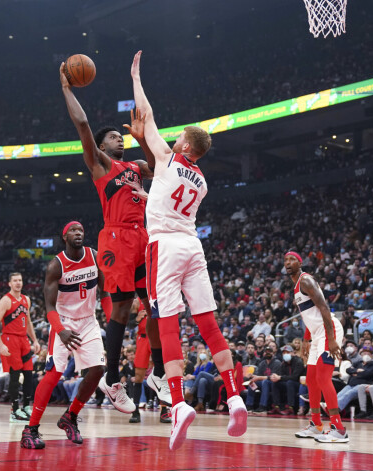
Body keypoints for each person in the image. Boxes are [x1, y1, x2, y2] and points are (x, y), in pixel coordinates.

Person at [130, 50, 247, 451]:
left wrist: (136, 78)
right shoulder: (201, 180)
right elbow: (168, 200)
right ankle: (234, 396)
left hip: (163, 246)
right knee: (209, 325)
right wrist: (147, 195)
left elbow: (146, 113)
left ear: (183, 142)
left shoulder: (166, 156)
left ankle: (178, 404)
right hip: (192, 246)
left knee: (167, 324)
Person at [59, 62, 170, 413]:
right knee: (122, 308)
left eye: (119, 136)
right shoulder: (102, 165)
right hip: (117, 239)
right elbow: (82, 125)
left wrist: (142, 138)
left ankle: (160, 372)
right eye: (113, 138)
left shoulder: (136, 166)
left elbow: (161, 166)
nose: (117, 139)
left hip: (143, 237)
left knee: (155, 305)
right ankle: (111, 378)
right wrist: (67, 89)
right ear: (103, 147)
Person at [21, 221, 111, 449]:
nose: (78, 233)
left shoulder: (95, 256)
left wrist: (112, 322)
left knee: (98, 369)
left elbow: (106, 292)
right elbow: (49, 307)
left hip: (89, 320)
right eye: (73, 230)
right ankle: (30, 429)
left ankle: (70, 417)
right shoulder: (56, 266)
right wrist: (60, 331)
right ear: (65, 237)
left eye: (81, 229)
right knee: (53, 374)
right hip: (63, 323)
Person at [284, 251, 347, 444]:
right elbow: (310, 317)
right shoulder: (296, 286)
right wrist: (305, 340)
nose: (288, 262)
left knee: (322, 377)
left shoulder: (306, 280)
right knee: (311, 379)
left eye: (292, 259)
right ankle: (316, 424)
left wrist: (332, 339)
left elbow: (324, 308)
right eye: (285, 260)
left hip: (329, 331)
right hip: (317, 334)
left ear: (300, 263)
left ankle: (339, 428)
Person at [0, 272, 40, 422]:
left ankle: (25, 407)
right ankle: (14, 410)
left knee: (29, 374)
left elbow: (28, 322)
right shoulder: (6, 300)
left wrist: (35, 340)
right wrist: (0, 345)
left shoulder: (26, 299)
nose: (18, 283)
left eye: (20, 280)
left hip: (23, 340)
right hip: (10, 339)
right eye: (15, 281)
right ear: (9, 284)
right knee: (15, 375)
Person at [130, 300, 171, 424]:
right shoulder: (136, 302)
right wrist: (137, 319)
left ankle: (164, 411)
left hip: (158, 338)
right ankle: (135, 410)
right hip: (142, 338)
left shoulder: (161, 297)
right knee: (138, 377)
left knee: (162, 375)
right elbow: (129, 324)